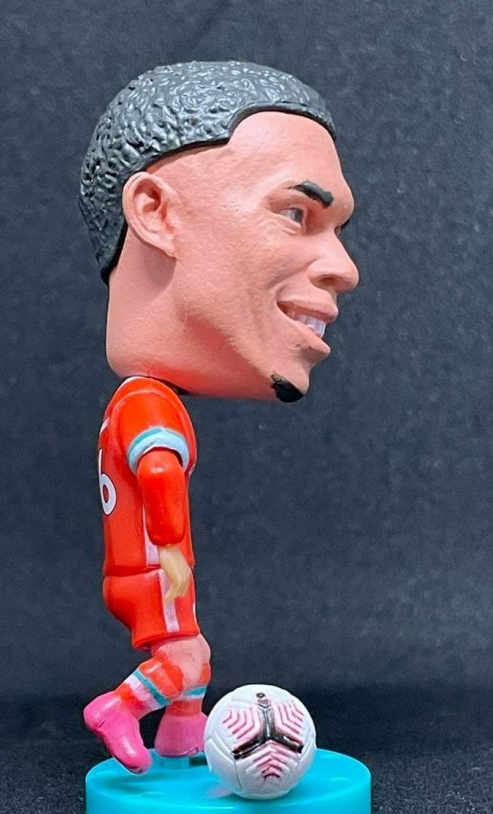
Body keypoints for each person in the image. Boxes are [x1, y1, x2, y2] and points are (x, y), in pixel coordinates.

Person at [79, 61, 359, 774]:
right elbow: (158, 474)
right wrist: (174, 547)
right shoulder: (147, 405)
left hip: (148, 572)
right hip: (154, 571)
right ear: (156, 212)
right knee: (187, 658)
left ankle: (181, 739)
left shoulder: (145, 401)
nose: (345, 268)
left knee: (193, 665)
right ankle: (119, 709)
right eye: (296, 213)